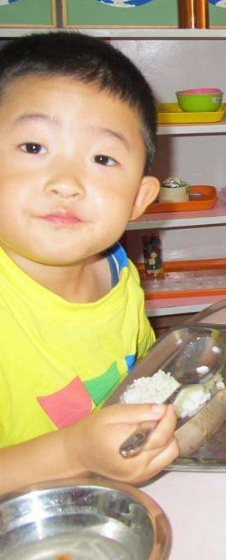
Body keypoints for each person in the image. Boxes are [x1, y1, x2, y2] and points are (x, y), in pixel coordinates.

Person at [0, 32, 178, 495]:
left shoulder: (120, 271)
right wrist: (72, 453)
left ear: (139, 198)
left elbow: (139, 374)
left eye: (102, 158)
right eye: (34, 148)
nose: (67, 182)